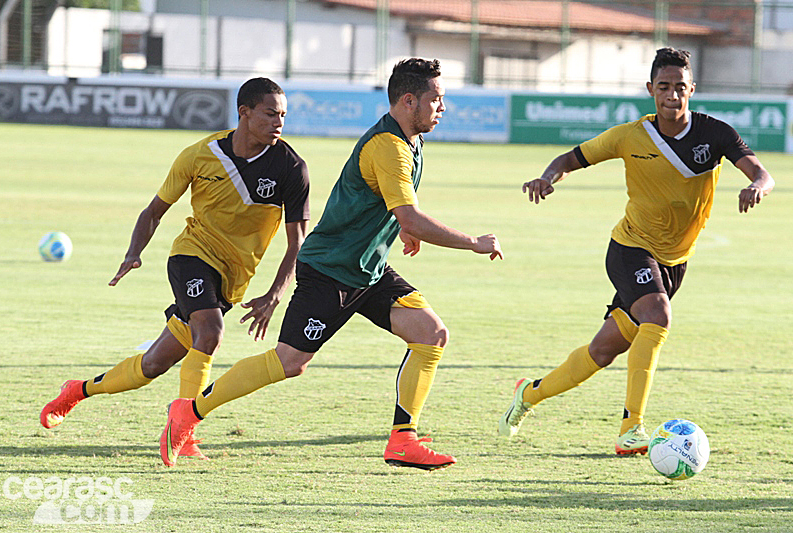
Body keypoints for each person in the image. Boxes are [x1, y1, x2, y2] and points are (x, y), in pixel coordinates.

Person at [159, 58, 504, 470]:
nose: (442, 108)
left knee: (431, 334)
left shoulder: (410, 142)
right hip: (330, 271)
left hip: (367, 270)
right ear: (409, 100)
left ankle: (403, 439)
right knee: (289, 362)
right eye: (437, 100)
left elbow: (394, 205)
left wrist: (402, 228)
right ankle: (189, 411)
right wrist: (472, 243)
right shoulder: (388, 147)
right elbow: (408, 213)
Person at [498, 47, 774, 455]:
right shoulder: (631, 136)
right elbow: (570, 158)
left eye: (681, 87)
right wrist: (547, 177)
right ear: (650, 89)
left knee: (603, 351)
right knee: (658, 315)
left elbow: (762, 173)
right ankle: (632, 431)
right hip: (630, 248)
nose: (672, 95)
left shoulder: (715, 133)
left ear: (692, 89)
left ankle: (528, 395)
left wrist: (756, 187)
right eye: (664, 87)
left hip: (675, 262)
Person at [40, 77, 310, 460]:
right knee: (211, 333)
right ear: (244, 113)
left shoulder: (291, 167)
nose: (278, 123)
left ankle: (76, 391)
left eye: (283, 115)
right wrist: (133, 253)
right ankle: (186, 432)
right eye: (270, 114)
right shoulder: (199, 155)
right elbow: (153, 212)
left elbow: (298, 242)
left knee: (153, 364)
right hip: (191, 255)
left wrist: (275, 294)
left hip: (233, 278)